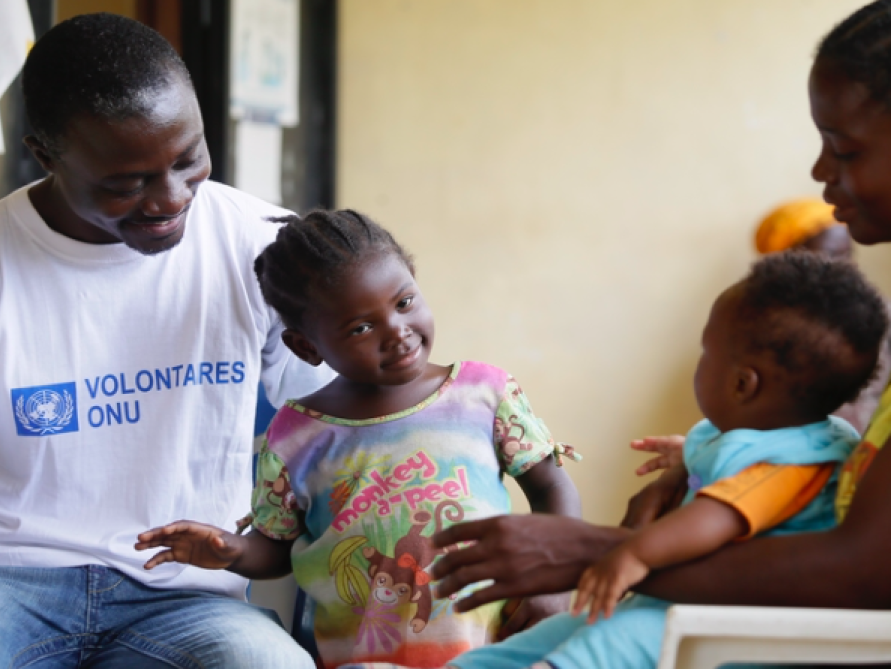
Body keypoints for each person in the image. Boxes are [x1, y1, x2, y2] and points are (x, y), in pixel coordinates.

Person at [423, 0, 891, 669]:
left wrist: (596, 554)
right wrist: (735, 460)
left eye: (846, 149)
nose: (822, 173)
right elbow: (877, 505)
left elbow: (865, 575)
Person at [0, 13, 335, 667]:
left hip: (188, 593)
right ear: (44, 154)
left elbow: (353, 435)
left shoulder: (264, 247)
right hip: (4, 581)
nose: (171, 198)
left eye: (188, 160)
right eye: (128, 183)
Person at [382, 251, 884, 669]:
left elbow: (716, 516)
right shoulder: (799, 432)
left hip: (716, 617)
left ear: (741, 384)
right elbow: (724, 458)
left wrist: (630, 553)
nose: (699, 360)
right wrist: (687, 456)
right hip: (677, 598)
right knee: (537, 641)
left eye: (706, 350)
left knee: (591, 653)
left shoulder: (780, 463)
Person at [134, 209, 582, 669]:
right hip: (361, 658)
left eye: (404, 302)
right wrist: (235, 551)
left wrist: (557, 582)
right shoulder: (296, 434)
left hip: (497, 645)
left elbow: (550, 487)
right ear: (306, 347)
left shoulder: (483, 392)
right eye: (361, 328)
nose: (397, 332)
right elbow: (277, 549)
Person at [752, 198, 891, 433]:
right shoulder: (758, 328)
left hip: (881, 445)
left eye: (848, 254)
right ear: (790, 262)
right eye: (830, 257)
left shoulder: (884, 313)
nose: (848, 266)